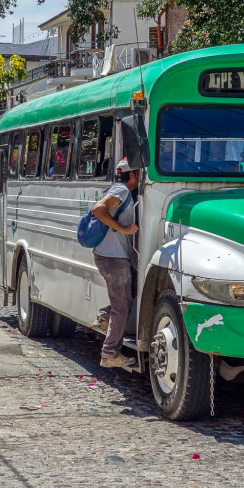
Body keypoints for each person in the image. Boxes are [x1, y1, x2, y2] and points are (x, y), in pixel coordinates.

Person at [91, 158, 140, 368]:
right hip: (112, 257)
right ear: (131, 175)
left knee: (130, 292)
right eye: (140, 175)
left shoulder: (121, 190)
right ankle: (110, 353)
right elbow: (98, 209)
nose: (141, 180)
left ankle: (104, 316)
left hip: (114, 256)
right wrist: (123, 229)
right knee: (122, 306)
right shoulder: (121, 190)